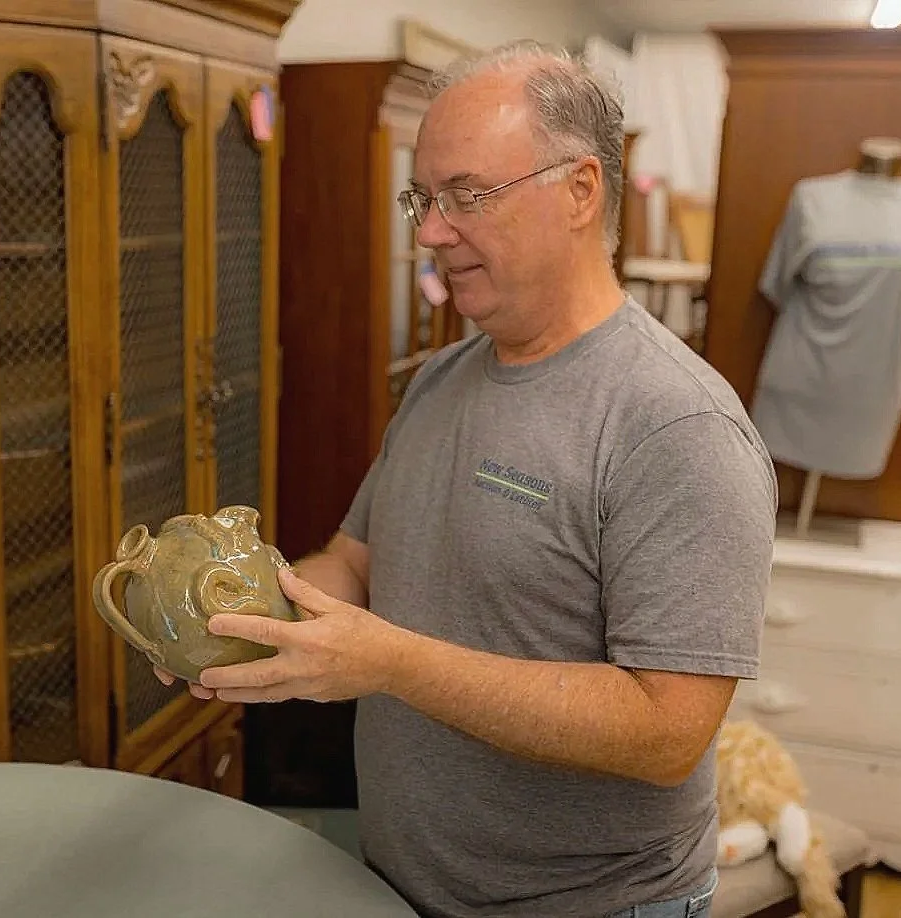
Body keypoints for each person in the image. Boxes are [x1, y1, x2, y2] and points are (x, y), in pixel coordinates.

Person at [156, 39, 777, 918]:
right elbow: (356, 561)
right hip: (402, 881)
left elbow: (666, 732)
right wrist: (245, 625)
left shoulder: (676, 425)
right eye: (423, 198)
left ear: (579, 190)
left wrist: (390, 663)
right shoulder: (441, 377)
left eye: (467, 195)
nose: (431, 231)